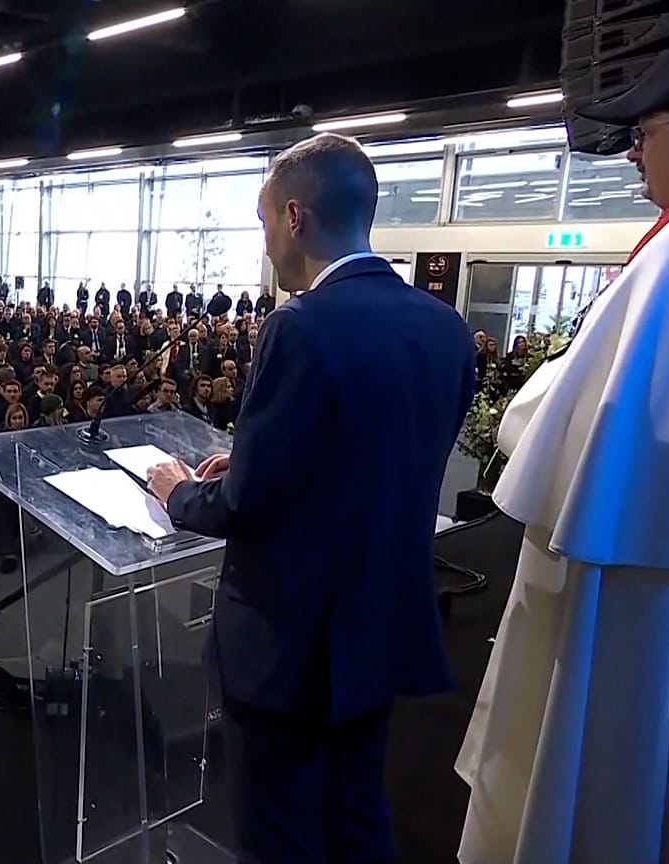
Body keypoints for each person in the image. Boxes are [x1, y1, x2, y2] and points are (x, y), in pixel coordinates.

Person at [145, 133, 475, 864]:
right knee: (357, 814)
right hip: (379, 623)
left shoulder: (301, 325)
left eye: (264, 223)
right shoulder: (445, 327)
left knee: (278, 833)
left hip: (291, 642)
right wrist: (263, 458)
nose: (266, 245)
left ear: (294, 217)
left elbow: (245, 507)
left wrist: (178, 493)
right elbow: (388, 463)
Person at [456, 24, 669, 864]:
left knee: (618, 774)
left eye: (645, 132)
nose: (630, 156)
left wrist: (537, 391)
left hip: (649, 582)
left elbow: (572, 429)